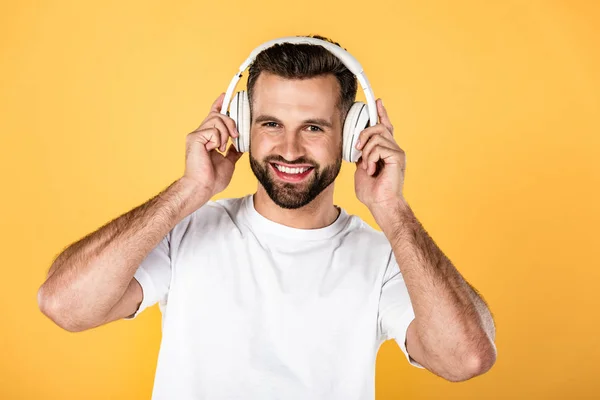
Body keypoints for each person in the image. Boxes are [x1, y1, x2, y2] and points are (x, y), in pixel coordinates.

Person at [38, 35, 497, 399]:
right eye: (271, 123)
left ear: (354, 137)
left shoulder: (386, 259)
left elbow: (465, 360)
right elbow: (65, 307)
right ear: (241, 122)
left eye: (314, 127)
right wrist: (189, 190)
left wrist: (393, 210)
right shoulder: (186, 232)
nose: (290, 149)